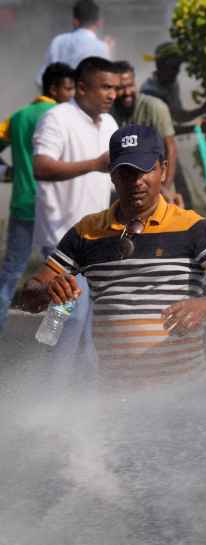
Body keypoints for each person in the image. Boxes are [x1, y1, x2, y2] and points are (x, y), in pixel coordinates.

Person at [23, 124, 206, 383]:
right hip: (115, 399)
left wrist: (204, 306)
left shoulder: (192, 228)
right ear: (112, 176)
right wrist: (48, 292)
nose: (136, 181)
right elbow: (29, 297)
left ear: (163, 169)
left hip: (184, 394)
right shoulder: (87, 232)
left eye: (145, 169)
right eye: (126, 172)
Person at [31, 56, 119, 374]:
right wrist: (93, 164)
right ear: (81, 88)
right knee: (73, 318)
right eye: (105, 87)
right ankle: (52, 400)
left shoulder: (109, 124)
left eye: (116, 88)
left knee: (89, 326)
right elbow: (41, 167)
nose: (113, 94)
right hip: (60, 240)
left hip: (97, 240)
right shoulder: (57, 118)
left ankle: (86, 401)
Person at [0, 63, 76, 332]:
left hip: (22, 203)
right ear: (53, 89)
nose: (72, 94)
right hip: (54, 207)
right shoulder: (63, 116)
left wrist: (7, 171)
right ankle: (59, 327)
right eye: (68, 88)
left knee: (12, 268)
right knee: (63, 272)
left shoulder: (18, 117)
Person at [141, 41, 206, 214]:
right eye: (172, 67)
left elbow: (178, 115)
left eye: (178, 68)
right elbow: (167, 132)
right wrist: (195, 129)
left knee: (183, 196)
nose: (176, 72)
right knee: (168, 198)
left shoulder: (171, 84)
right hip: (155, 155)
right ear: (160, 65)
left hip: (169, 150)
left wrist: (202, 110)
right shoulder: (151, 92)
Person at [111, 60, 179, 203]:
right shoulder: (108, 114)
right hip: (128, 191)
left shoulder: (155, 107)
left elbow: (170, 148)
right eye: (120, 88)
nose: (127, 92)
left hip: (158, 188)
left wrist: (164, 189)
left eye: (130, 85)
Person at [36, 0, 110, 86]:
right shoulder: (102, 47)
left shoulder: (58, 41)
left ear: (75, 22)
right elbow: (107, 83)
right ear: (99, 23)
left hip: (57, 97)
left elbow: (40, 80)